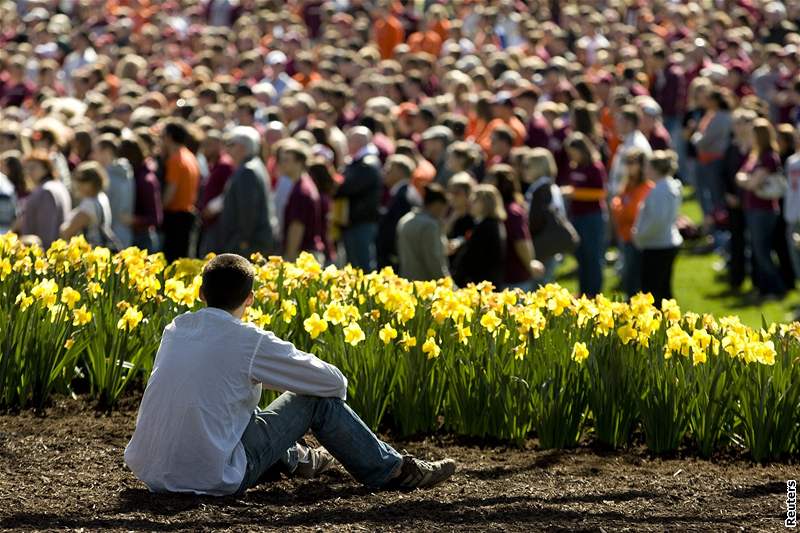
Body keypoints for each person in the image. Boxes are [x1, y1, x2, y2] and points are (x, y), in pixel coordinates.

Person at [124, 253, 456, 495]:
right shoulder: (248, 341)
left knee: (231, 401)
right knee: (316, 402)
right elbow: (332, 382)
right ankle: (393, 470)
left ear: (200, 294)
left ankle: (297, 459)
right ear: (250, 299)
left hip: (151, 471)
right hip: (211, 477)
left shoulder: (176, 328)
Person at [736, 118, 788, 299]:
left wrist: (747, 180)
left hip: (764, 210)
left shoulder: (769, 157)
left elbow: (751, 183)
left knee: (762, 251)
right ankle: (764, 288)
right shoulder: (755, 154)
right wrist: (747, 180)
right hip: (753, 207)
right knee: (757, 251)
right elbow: (741, 176)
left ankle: (777, 288)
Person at [214, 126, 276, 258]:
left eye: (231, 144)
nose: (227, 149)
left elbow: (248, 211)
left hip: (249, 244)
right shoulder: (253, 165)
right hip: (251, 241)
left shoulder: (248, 171)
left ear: (242, 147)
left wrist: (242, 242)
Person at [632, 150, 683, 304]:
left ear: (655, 169)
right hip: (665, 242)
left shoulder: (660, 190)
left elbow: (657, 221)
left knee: (653, 292)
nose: (644, 170)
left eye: (647, 167)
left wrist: (639, 235)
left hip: (657, 244)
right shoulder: (670, 185)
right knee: (663, 289)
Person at [484, 164, 543, 291]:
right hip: (503, 275)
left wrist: (529, 264)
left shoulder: (511, 212)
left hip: (512, 277)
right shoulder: (508, 210)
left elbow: (520, 242)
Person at [564, 132, 607, 297]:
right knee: (581, 256)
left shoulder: (595, 167)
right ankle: (583, 291)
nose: (571, 155)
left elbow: (600, 193)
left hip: (592, 217)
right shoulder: (575, 167)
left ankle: (594, 293)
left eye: (573, 151)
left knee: (592, 256)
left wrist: (575, 194)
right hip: (577, 216)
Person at [523, 148, 573, 283]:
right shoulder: (549, 185)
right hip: (549, 242)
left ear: (539, 167)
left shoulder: (541, 189)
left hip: (542, 242)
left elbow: (536, 218)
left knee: (539, 286)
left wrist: (528, 233)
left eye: (528, 166)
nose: (524, 170)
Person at [336, 127, 382, 271]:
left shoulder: (367, 164)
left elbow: (346, 188)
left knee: (362, 268)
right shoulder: (360, 162)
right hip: (356, 222)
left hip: (361, 223)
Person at [610, 148, 653, 298]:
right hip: (625, 237)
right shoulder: (628, 184)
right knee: (629, 279)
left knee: (636, 280)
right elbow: (617, 204)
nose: (628, 166)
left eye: (632, 163)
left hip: (637, 240)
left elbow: (631, 213)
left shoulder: (646, 188)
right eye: (627, 162)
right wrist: (619, 208)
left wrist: (620, 208)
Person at [12, 151, 71, 249]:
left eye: (33, 167)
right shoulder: (59, 186)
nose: (28, 172)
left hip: (42, 253)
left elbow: (46, 230)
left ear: (46, 168)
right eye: (26, 168)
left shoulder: (46, 191)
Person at [452, 184, 507, 288]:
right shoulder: (490, 224)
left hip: (480, 286)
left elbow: (473, 259)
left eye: (474, 201)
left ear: (485, 203)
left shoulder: (487, 227)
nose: (470, 204)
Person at [161, 120, 201, 262]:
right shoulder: (190, 156)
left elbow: (171, 191)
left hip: (176, 218)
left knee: (173, 263)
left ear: (169, 137)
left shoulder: (175, 159)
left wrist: (159, 210)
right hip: (188, 216)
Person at [280, 142, 325, 262]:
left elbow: (297, 227)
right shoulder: (304, 184)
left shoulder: (301, 191)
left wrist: (289, 258)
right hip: (307, 254)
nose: (282, 164)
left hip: (303, 256)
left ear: (299, 163)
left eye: (286, 160)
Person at [395, 182, 449, 281]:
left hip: (406, 282)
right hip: (426, 286)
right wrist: (447, 284)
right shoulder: (430, 225)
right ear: (437, 204)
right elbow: (433, 260)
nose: (443, 214)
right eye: (443, 209)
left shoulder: (405, 220)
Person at [377, 154, 421, 270]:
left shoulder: (403, 197)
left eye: (389, 170)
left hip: (395, 261)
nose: (384, 173)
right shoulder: (405, 193)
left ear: (399, 172)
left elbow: (396, 231)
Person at [119, 137, 162, 253]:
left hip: (143, 240)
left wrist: (134, 220)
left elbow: (156, 218)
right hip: (131, 236)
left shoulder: (146, 180)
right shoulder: (131, 176)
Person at [59, 161, 115, 248]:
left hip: (90, 252)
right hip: (100, 249)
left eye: (81, 180)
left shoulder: (89, 204)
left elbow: (67, 232)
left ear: (92, 182)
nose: (77, 184)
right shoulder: (102, 197)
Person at [94, 134, 134, 248]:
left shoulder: (105, 177)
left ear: (106, 151)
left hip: (110, 238)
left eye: (96, 151)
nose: (93, 155)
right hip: (126, 234)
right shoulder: (127, 172)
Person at [608, 105, 651, 196]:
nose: (615, 124)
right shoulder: (628, 141)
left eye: (620, 120)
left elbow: (637, 176)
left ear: (629, 122)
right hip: (622, 195)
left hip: (630, 197)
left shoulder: (636, 145)